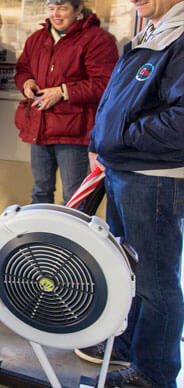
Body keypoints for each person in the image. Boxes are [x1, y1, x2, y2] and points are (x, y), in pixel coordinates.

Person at [74, 0, 184, 386]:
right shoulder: (152, 33)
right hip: (125, 168)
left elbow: (180, 119)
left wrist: (118, 139)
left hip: (154, 176)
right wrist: (99, 141)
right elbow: (118, 100)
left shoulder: (180, 36)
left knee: (155, 282)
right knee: (128, 272)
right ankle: (128, 346)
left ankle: (154, 374)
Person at [14, 0, 118, 205]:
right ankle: (42, 236)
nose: (56, 15)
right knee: (40, 190)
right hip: (38, 127)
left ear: (78, 9)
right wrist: (26, 82)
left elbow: (105, 83)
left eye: (63, 8)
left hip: (74, 132)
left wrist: (63, 92)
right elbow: (22, 69)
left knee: (74, 194)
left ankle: (69, 238)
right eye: (52, 9)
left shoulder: (97, 39)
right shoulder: (37, 38)